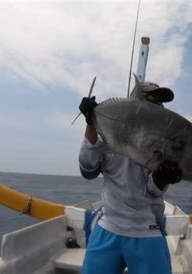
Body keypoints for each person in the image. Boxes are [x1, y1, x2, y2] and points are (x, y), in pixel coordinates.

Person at [78, 81, 182, 274]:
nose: (157, 107)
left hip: (146, 228)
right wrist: (90, 121)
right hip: (109, 224)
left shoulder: (162, 145)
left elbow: (153, 189)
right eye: (151, 100)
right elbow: (88, 168)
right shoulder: (109, 139)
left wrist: (162, 177)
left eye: (159, 103)